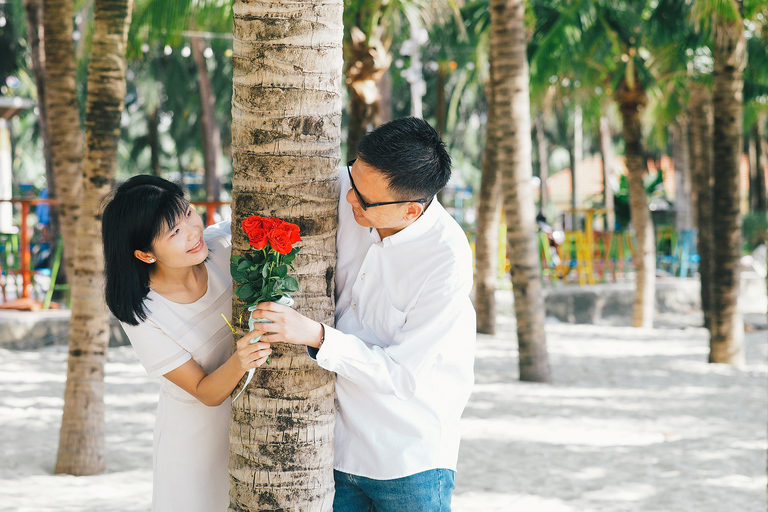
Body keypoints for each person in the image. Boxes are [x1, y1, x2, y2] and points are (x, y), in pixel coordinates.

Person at [249, 117, 476, 511]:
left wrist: (316, 336)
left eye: (365, 200)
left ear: (410, 210)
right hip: (335, 450)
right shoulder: (356, 186)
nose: (350, 198)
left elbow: (402, 375)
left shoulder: (446, 261)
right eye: (353, 179)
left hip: (408, 459)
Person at [102, 175, 270, 512]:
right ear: (145, 254)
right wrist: (241, 359)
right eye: (174, 232)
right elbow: (204, 391)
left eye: (189, 213)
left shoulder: (223, 246)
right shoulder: (143, 313)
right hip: (194, 441)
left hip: (257, 421)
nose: (193, 232)